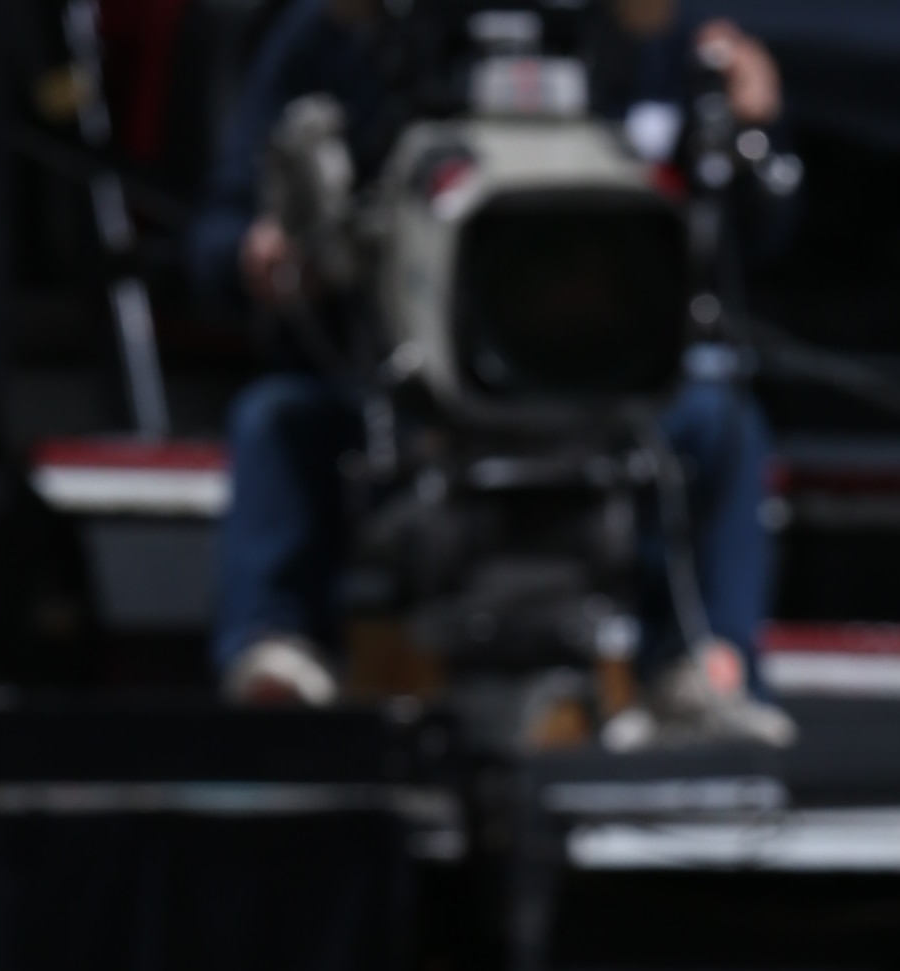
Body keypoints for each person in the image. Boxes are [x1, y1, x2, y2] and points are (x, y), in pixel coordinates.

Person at [198, 0, 795, 732]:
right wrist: (265, 253)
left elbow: (758, 231)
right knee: (277, 420)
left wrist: (752, 131)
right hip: (403, 389)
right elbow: (216, 240)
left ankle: (702, 668)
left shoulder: (661, 33)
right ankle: (276, 654)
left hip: (606, 391)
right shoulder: (338, 32)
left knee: (721, 425)